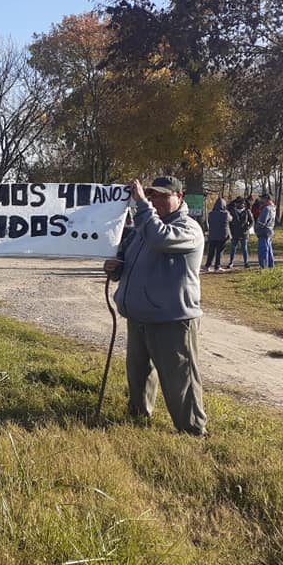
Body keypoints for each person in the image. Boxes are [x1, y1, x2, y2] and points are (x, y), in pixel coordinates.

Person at [103, 176, 207, 437]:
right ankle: (139, 416)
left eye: (164, 195)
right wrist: (115, 269)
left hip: (172, 320)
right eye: (153, 196)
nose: (157, 200)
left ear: (179, 198)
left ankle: (192, 431)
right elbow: (125, 259)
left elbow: (160, 240)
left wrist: (141, 205)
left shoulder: (188, 229)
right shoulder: (144, 228)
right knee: (138, 375)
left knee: (180, 379)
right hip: (139, 317)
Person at [204, 197, 231, 272]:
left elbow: (208, 222)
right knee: (219, 252)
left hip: (212, 235)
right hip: (222, 236)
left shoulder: (211, 214)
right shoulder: (225, 214)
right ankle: (217, 266)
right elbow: (231, 219)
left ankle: (207, 266)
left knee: (211, 252)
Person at [225, 196, 253, 269]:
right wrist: (230, 231)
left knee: (244, 248)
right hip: (235, 232)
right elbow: (229, 222)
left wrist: (248, 227)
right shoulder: (232, 211)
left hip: (244, 233)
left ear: (243, 204)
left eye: (241, 203)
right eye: (238, 203)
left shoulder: (247, 211)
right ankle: (231, 262)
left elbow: (252, 222)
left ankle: (246, 263)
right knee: (233, 248)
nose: (240, 205)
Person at [255, 194, 276, 268]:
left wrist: (257, 229)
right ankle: (270, 265)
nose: (261, 200)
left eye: (262, 198)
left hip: (264, 231)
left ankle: (263, 266)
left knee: (263, 250)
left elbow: (262, 221)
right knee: (269, 250)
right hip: (270, 230)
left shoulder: (266, 208)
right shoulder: (273, 207)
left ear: (266, 199)